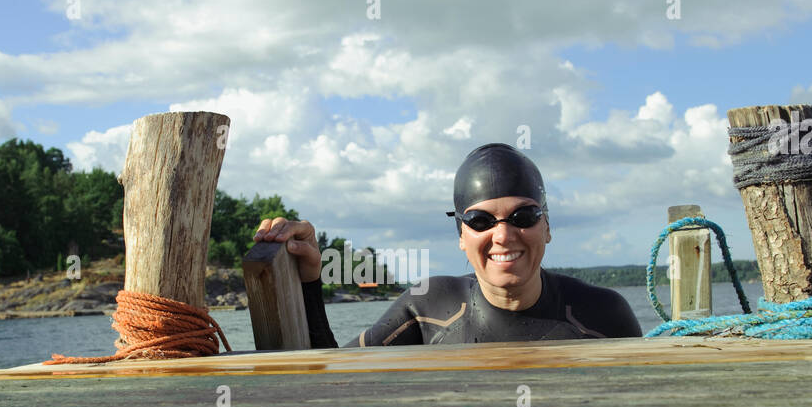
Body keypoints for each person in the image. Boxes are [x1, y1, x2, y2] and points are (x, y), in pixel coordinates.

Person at [252, 143, 642, 347]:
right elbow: (334, 378)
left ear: (548, 227)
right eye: (481, 221)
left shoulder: (604, 314)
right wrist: (309, 282)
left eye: (523, 217)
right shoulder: (426, 308)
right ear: (461, 236)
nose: (503, 236)